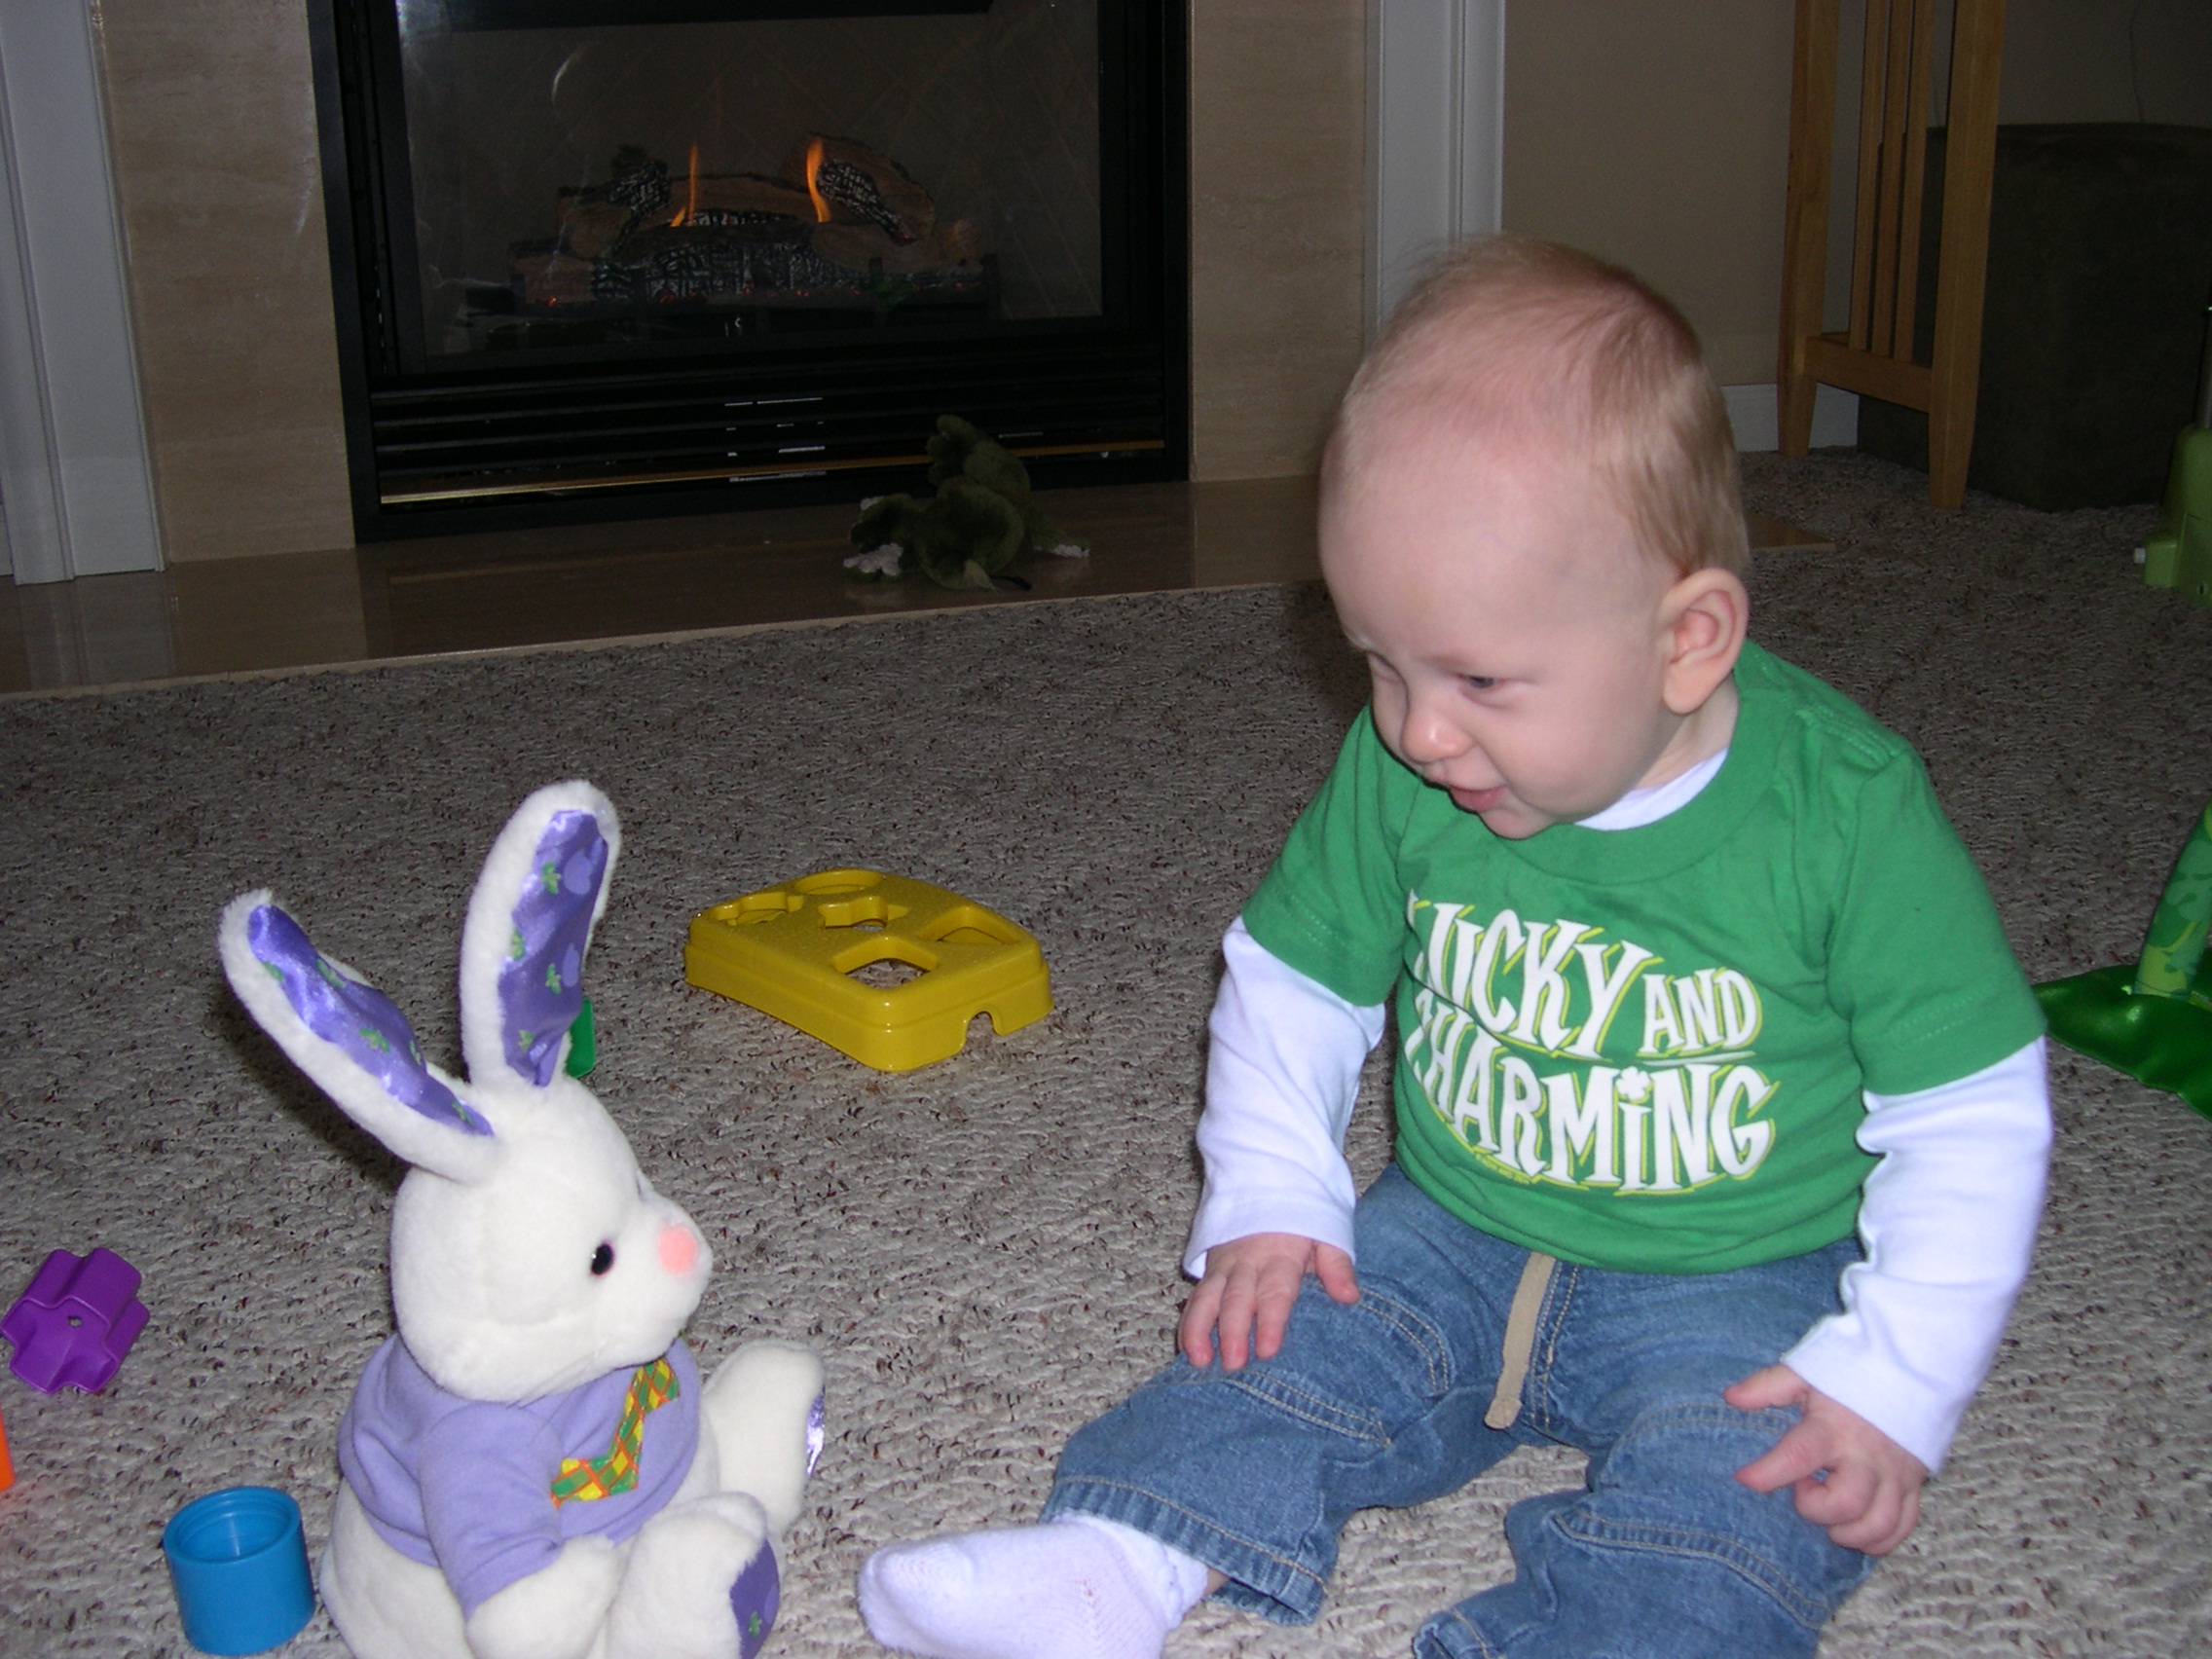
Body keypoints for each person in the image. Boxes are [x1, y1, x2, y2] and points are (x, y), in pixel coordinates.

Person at [855, 236, 2051, 1659]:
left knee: (1751, 1507)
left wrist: (1898, 1377)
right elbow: (1293, 980)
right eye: (1379, 658)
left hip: (1741, 1274)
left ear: (1690, 641)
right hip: (1446, 1230)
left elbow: (1972, 1117)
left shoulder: (1845, 816)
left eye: (1478, 678)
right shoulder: (1410, 766)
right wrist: (1275, 1196)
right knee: (1272, 1349)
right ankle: (1117, 1558)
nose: (1417, 730)